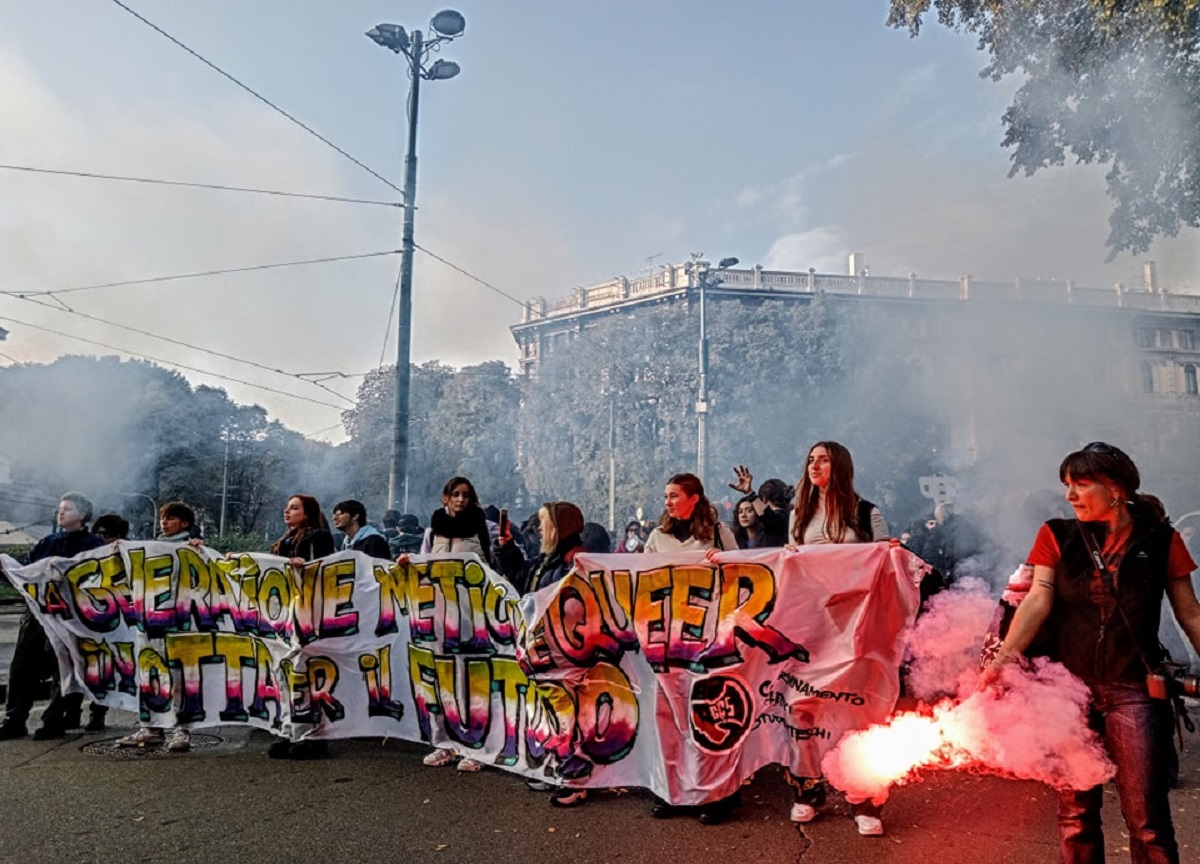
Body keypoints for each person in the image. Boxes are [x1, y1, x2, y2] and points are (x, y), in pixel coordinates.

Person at [982, 442, 1200, 864]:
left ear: (1115, 489)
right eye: (1067, 485)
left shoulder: (1161, 540)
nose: (1069, 496)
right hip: (1067, 692)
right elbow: (1037, 599)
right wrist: (1004, 658)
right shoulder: (1056, 534)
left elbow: (1190, 612)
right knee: (1075, 815)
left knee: (1147, 821)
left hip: (1135, 689)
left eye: (1080, 485)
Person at [787, 441, 890, 837]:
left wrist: (892, 553)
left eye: (823, 459)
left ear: (840, 466)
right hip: (810, 628)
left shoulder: (866, 513)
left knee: (856, 712)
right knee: (802, 709)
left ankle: (864, 798)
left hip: (856, 631)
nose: (814, 465)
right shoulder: (799, 514)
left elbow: (887, 566)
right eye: (810, 459)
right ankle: (807, 791)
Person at [643, 473, 738, 825]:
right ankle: (673, 791)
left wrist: (723, 563)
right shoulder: (658, 536)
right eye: (665, 496)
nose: (667, 502)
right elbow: (636, 576)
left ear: (694, 498)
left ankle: (717, 793)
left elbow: (747, 573)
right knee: (668, 716)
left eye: (673, 495)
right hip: (667, 637)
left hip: (709, 636)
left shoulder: (717, 534)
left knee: (707, 714)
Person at [0, 493, 106, 741]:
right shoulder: (45, 542)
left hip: (73, 618)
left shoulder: (94, 545)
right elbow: (26, 575)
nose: (60, 513)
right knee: (22, 667)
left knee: (65, 667)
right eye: (60, 509)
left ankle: (54, 719)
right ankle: (14, 720)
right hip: (38, 615)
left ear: (82, 515)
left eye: (67, 509)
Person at [405, 476, 493, 772]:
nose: (460, 499)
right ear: (445, 498)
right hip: (441, 617)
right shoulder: (433, 531)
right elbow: (423, 564)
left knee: (474, 679)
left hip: (474, 616)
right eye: (454, 494)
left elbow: (495, 566)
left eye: (465, 495)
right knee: (443, 677)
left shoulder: (484, 527)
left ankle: (476, 746)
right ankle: (446, 743)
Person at [117, 501, 203, 752]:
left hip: (180, 623)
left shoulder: (193, 549)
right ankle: (151, 726)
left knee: (180, 676)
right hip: (150, 622)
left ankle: (181, 729)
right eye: (163, 518)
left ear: (184, 524)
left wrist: (199, 550)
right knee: (150, 673)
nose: (163, 522)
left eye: (170, 518)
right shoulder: (150, 549)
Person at [267, 494, 335, 760]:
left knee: (306, 674)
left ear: (307, 513)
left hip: (310, 613)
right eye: (287, 507)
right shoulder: (284, 541)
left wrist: (304, 568)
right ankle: (289, 731)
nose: (287, 511)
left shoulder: (318, 538)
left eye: (294, 507)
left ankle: (313, 736)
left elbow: (325, 571)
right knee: (285, 674)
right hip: (287, 614)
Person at [726, 466, 791, 546]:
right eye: (740, 511)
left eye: (750, 510)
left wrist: (749, 493)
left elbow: (769, 517)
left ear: (763, 499)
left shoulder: (775, 522)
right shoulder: (793, 517)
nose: (743, 515)